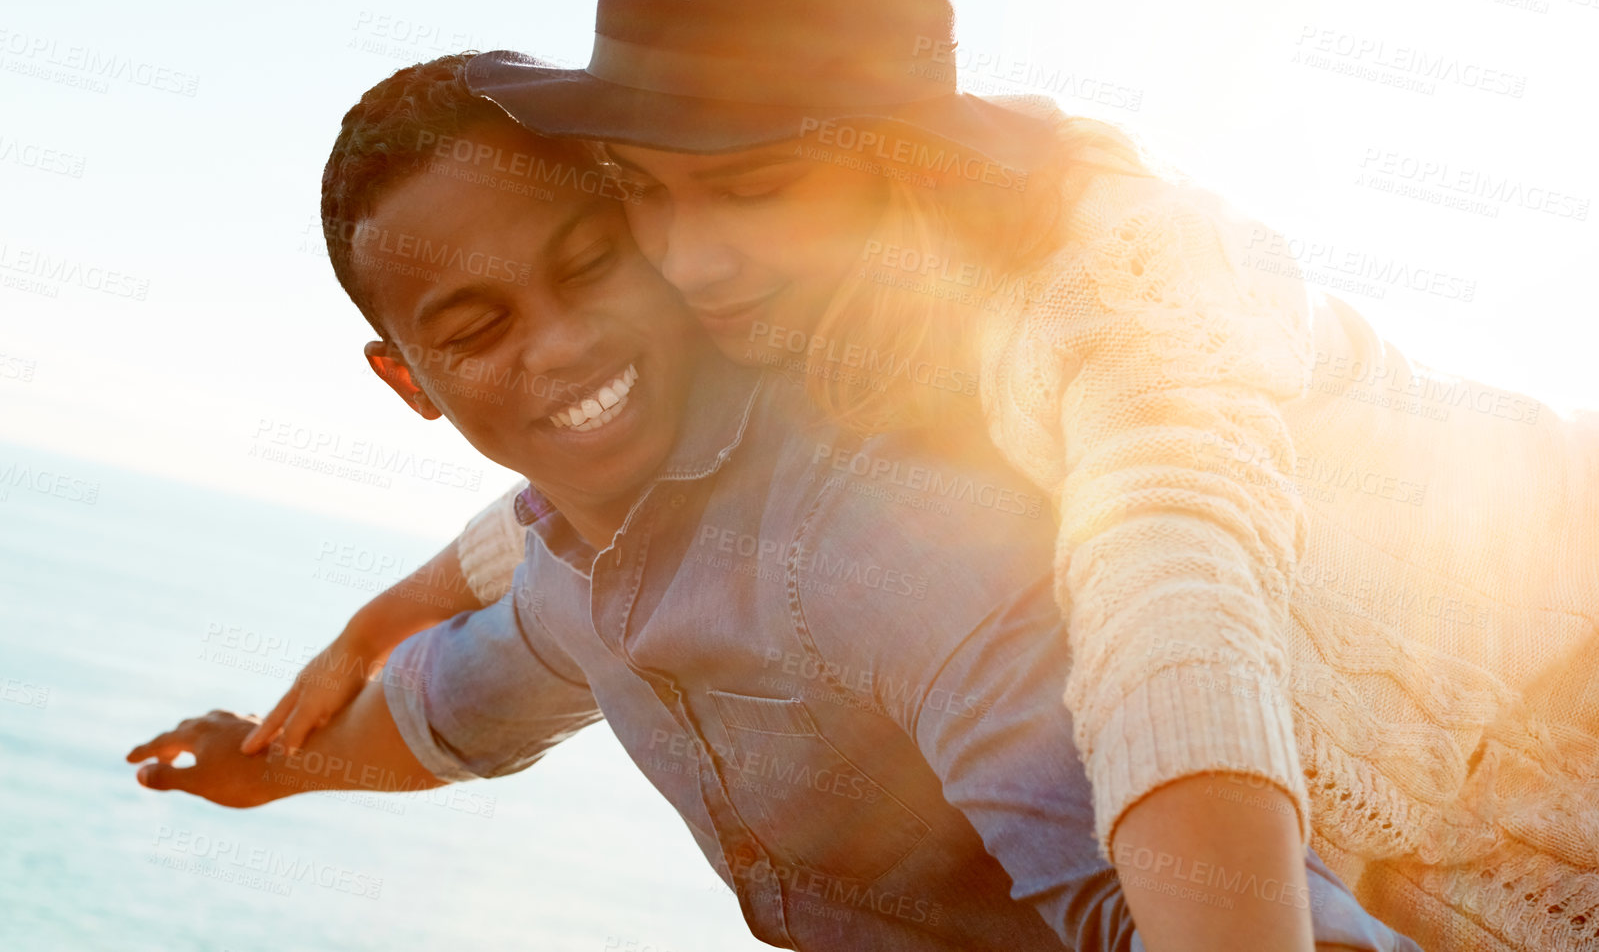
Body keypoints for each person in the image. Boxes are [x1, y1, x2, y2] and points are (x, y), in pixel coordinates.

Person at [251, 0, 1599, 951]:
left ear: (893, 155)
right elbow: (615, 506)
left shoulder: (1124, 289)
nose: (692, 259)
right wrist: (396, 609)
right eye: (648, 187)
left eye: (753, 186)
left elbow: (1179, 620)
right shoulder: (799, 308)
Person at [129, 55, 1418, 952]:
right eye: (479, 329)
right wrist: (271, 769)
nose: (565, 345)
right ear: (408, 381)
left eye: (593, 266)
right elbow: (466, 697)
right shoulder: (574, 568)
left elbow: (1165, 890)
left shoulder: (877, 530)